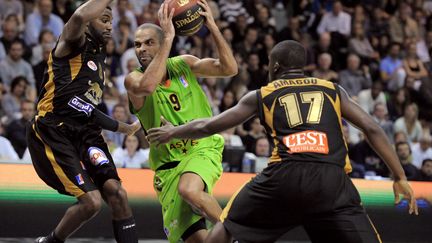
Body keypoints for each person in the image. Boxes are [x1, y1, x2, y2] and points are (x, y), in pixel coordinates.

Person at [147, 40, 418, 243]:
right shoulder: (332, 89)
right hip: (331, 183)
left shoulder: (262, 94)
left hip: (281, 180)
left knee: (225, 227)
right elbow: (372, 128)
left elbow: (210, 125)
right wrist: (399, 176)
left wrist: (173, 132)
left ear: (274, 66)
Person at [26, 1, 141, 242]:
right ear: (89, 22)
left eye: (111, 21)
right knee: (91, 202)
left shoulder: (100, 53)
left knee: (117, 193)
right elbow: (78, 16)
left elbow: (87, 108)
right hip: (54, 129)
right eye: (104, 19)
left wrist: (126, 127)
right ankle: (51, 241)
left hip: (86, 131)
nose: (110, 26)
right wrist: (122, 127)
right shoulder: (72, 43)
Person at [124, 1, 237, 242]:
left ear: (163, 40)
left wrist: (213, 28)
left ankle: (240, 234)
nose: (141, 49)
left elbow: (229, 69)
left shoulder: (183, 64)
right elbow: (148, 86)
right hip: (166, 168)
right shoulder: (133, 79)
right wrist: (166, 41)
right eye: (137, 45)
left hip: (201, 147)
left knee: (189, 190)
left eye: (148, 42)